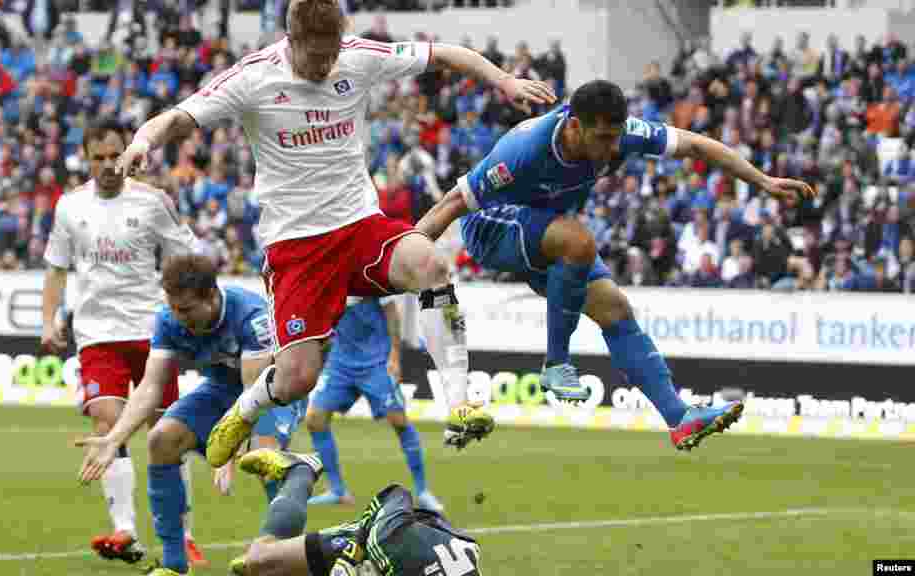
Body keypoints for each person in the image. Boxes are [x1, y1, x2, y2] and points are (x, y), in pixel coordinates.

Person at [114, 0, 557, 461]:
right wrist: (143, 142)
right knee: (297, 378)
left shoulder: (357, 56)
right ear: (291, 41)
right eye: (315, 57)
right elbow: (176, 118)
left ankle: (461, 402)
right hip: (296, 245)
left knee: (430, 263)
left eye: (332, 55)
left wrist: (503, 80)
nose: (326, 66)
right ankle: (244, 409)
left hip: (358, 225)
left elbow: (444, 53)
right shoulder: (253, 77)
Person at [416, 80, 816, 450]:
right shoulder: (523, 149)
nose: (612, 150)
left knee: (615, 308)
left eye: (616, 137)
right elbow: (452, 203)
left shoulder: (622, 134)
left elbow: (695, 145)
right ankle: (557, 364)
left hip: (545, 230)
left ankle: (679, 418)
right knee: (579, 241)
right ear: (574, 126)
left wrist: (762, 181)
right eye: (603, 138)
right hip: (491, 224)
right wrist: (404, 253)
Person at [75, 254, 306, 575]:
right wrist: (115, 438)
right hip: (220, 388)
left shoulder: (250, 316)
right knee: (161, 440)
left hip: (270, 390)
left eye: (185, 309)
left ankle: (289, 557)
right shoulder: (169, 320)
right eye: (172, 306)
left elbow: (252, 391)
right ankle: (173, 565)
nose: (176, 316)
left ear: (211, 297)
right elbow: (150, 387)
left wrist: (230, 451)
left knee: (263, 452)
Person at [41, 121, 207, 566]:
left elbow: (186, 255)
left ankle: (184, 531)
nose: (108, 165)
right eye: (98, 157)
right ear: (87, 157)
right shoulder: (69, 207)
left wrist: (188, 309)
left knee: (166, 433)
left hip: (153, 332)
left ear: (127, 154)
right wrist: (48, 319)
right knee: (106, 424)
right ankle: (125, 530)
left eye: (115, 155)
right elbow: (56, 269)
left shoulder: (153, 203)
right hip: (97, 336)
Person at [229, 449, 482, 576]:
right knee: (259, 560)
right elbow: (394, 495)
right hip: (382, 535)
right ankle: (301, 470)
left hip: (416, 554)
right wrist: (348, 561)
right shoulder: (392, 546)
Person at [306, 296, 441, 511]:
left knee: (399, 421)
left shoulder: (369, 272)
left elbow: (391, 313)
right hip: (340, 362)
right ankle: (337, 490)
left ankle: (422, 491)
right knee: (315, 419)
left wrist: (395, 355)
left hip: (376, 362)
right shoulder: (330, 275)